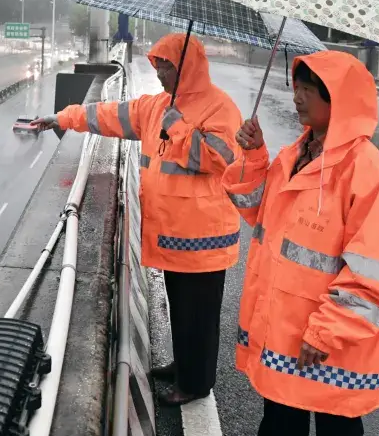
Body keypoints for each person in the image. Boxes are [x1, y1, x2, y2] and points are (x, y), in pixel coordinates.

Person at [223, 52, 379, 436]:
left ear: (337, 99)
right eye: (297, 87)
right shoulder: (297, 155)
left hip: (330, 346)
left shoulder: (367, 174)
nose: (298, 98)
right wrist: (253, 156)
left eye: (309, 90)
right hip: (287, 336)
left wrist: (327, 331)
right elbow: (258, 212)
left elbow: (378, 275)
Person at [33, 33, 242, 404]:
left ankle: (196, 384)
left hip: (203, 240)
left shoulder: (219, 107)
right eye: (157, 65)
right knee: (182, 310)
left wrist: (178, 126)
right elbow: (108, 115)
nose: (159, 73)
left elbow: (218, 159)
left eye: (166, 66)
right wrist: (64, 117)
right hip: (174, 235)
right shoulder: (157, 105)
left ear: (187, 68)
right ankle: (185, 366)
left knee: (199, 317)